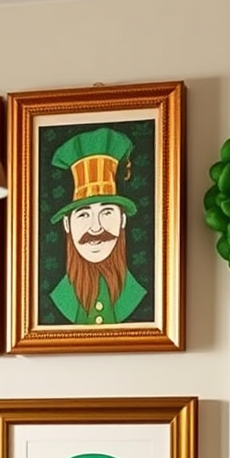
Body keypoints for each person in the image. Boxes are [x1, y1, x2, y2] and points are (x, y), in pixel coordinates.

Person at [47, 128, 148, 326]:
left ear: (123, 220)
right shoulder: (58, 299)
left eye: (107, 212)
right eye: (83, 214)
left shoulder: (137, 297)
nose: (96, 228)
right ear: (67, 224)